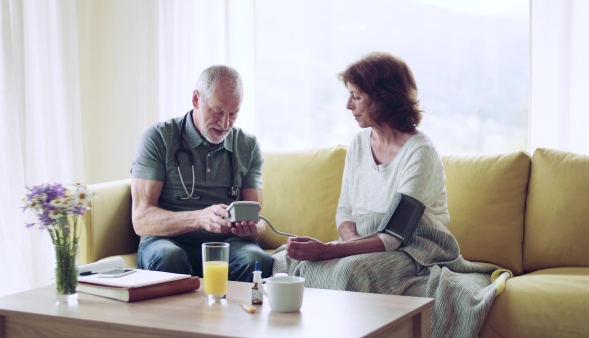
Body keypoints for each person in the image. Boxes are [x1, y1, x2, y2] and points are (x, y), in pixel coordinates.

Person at [272, 53, 505, 338]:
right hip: (365, 242)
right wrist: (351, 243)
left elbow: (395, 234)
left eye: (356, 96)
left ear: (382, 98)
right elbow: (345, 211)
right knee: (286, 262)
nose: (348, 105)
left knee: (351, 271)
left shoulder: (420, 151)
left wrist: (329, 251)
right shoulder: (359, 143)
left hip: (416, 245)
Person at [131, 65, 273, 282]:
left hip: (228, 244)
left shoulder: (247, 145)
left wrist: (251, 230)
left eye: (233, 114)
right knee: (169, 257)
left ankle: (234, 317)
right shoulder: (158, 138)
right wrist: (199, 218)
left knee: (256, 259)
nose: (225, 123)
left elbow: (259, 221)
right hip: (168, 240)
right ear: (196, 100)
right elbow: (141, 219)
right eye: (217, 111)